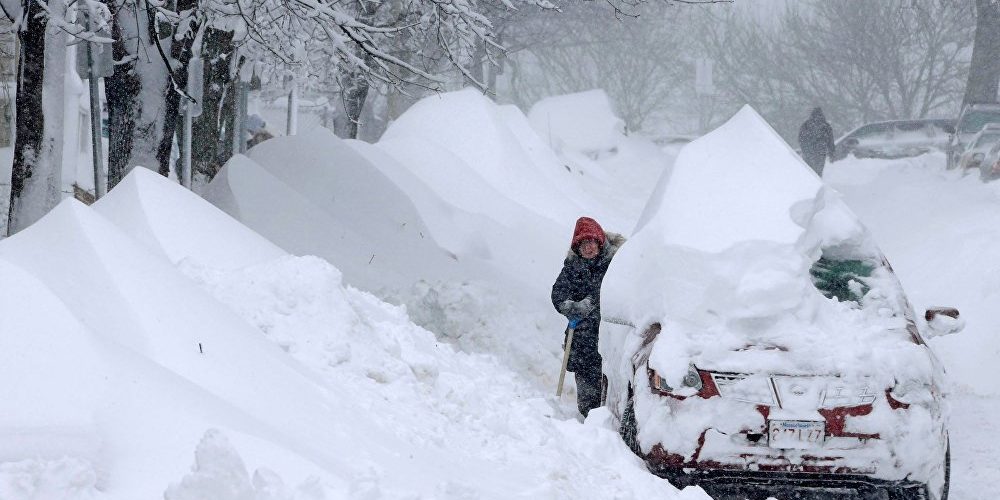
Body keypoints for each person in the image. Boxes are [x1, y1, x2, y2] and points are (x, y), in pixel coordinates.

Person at [551, 216, 626, 417]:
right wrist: (568, 307)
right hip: (582, 338)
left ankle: (610, 424)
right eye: (583, 244)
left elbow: (615, 291)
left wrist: (590, 303)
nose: (588, 248)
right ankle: (588, 425)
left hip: (610, 334)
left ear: (599, 241)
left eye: (591, 242)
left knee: (611, 384)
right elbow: (558, 292)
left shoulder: (615, 263)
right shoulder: (572, 266)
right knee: (587, 390)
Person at [798, 107, 836, 176]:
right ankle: (818, 182)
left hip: (808, 153)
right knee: (818, 171)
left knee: (808, 171)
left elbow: (801, 139)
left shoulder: (806, 125)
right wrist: (832, 152)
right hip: (820, 153)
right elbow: (830, 141)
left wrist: (805, 150)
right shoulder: (826, 126)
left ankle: (810, 183)